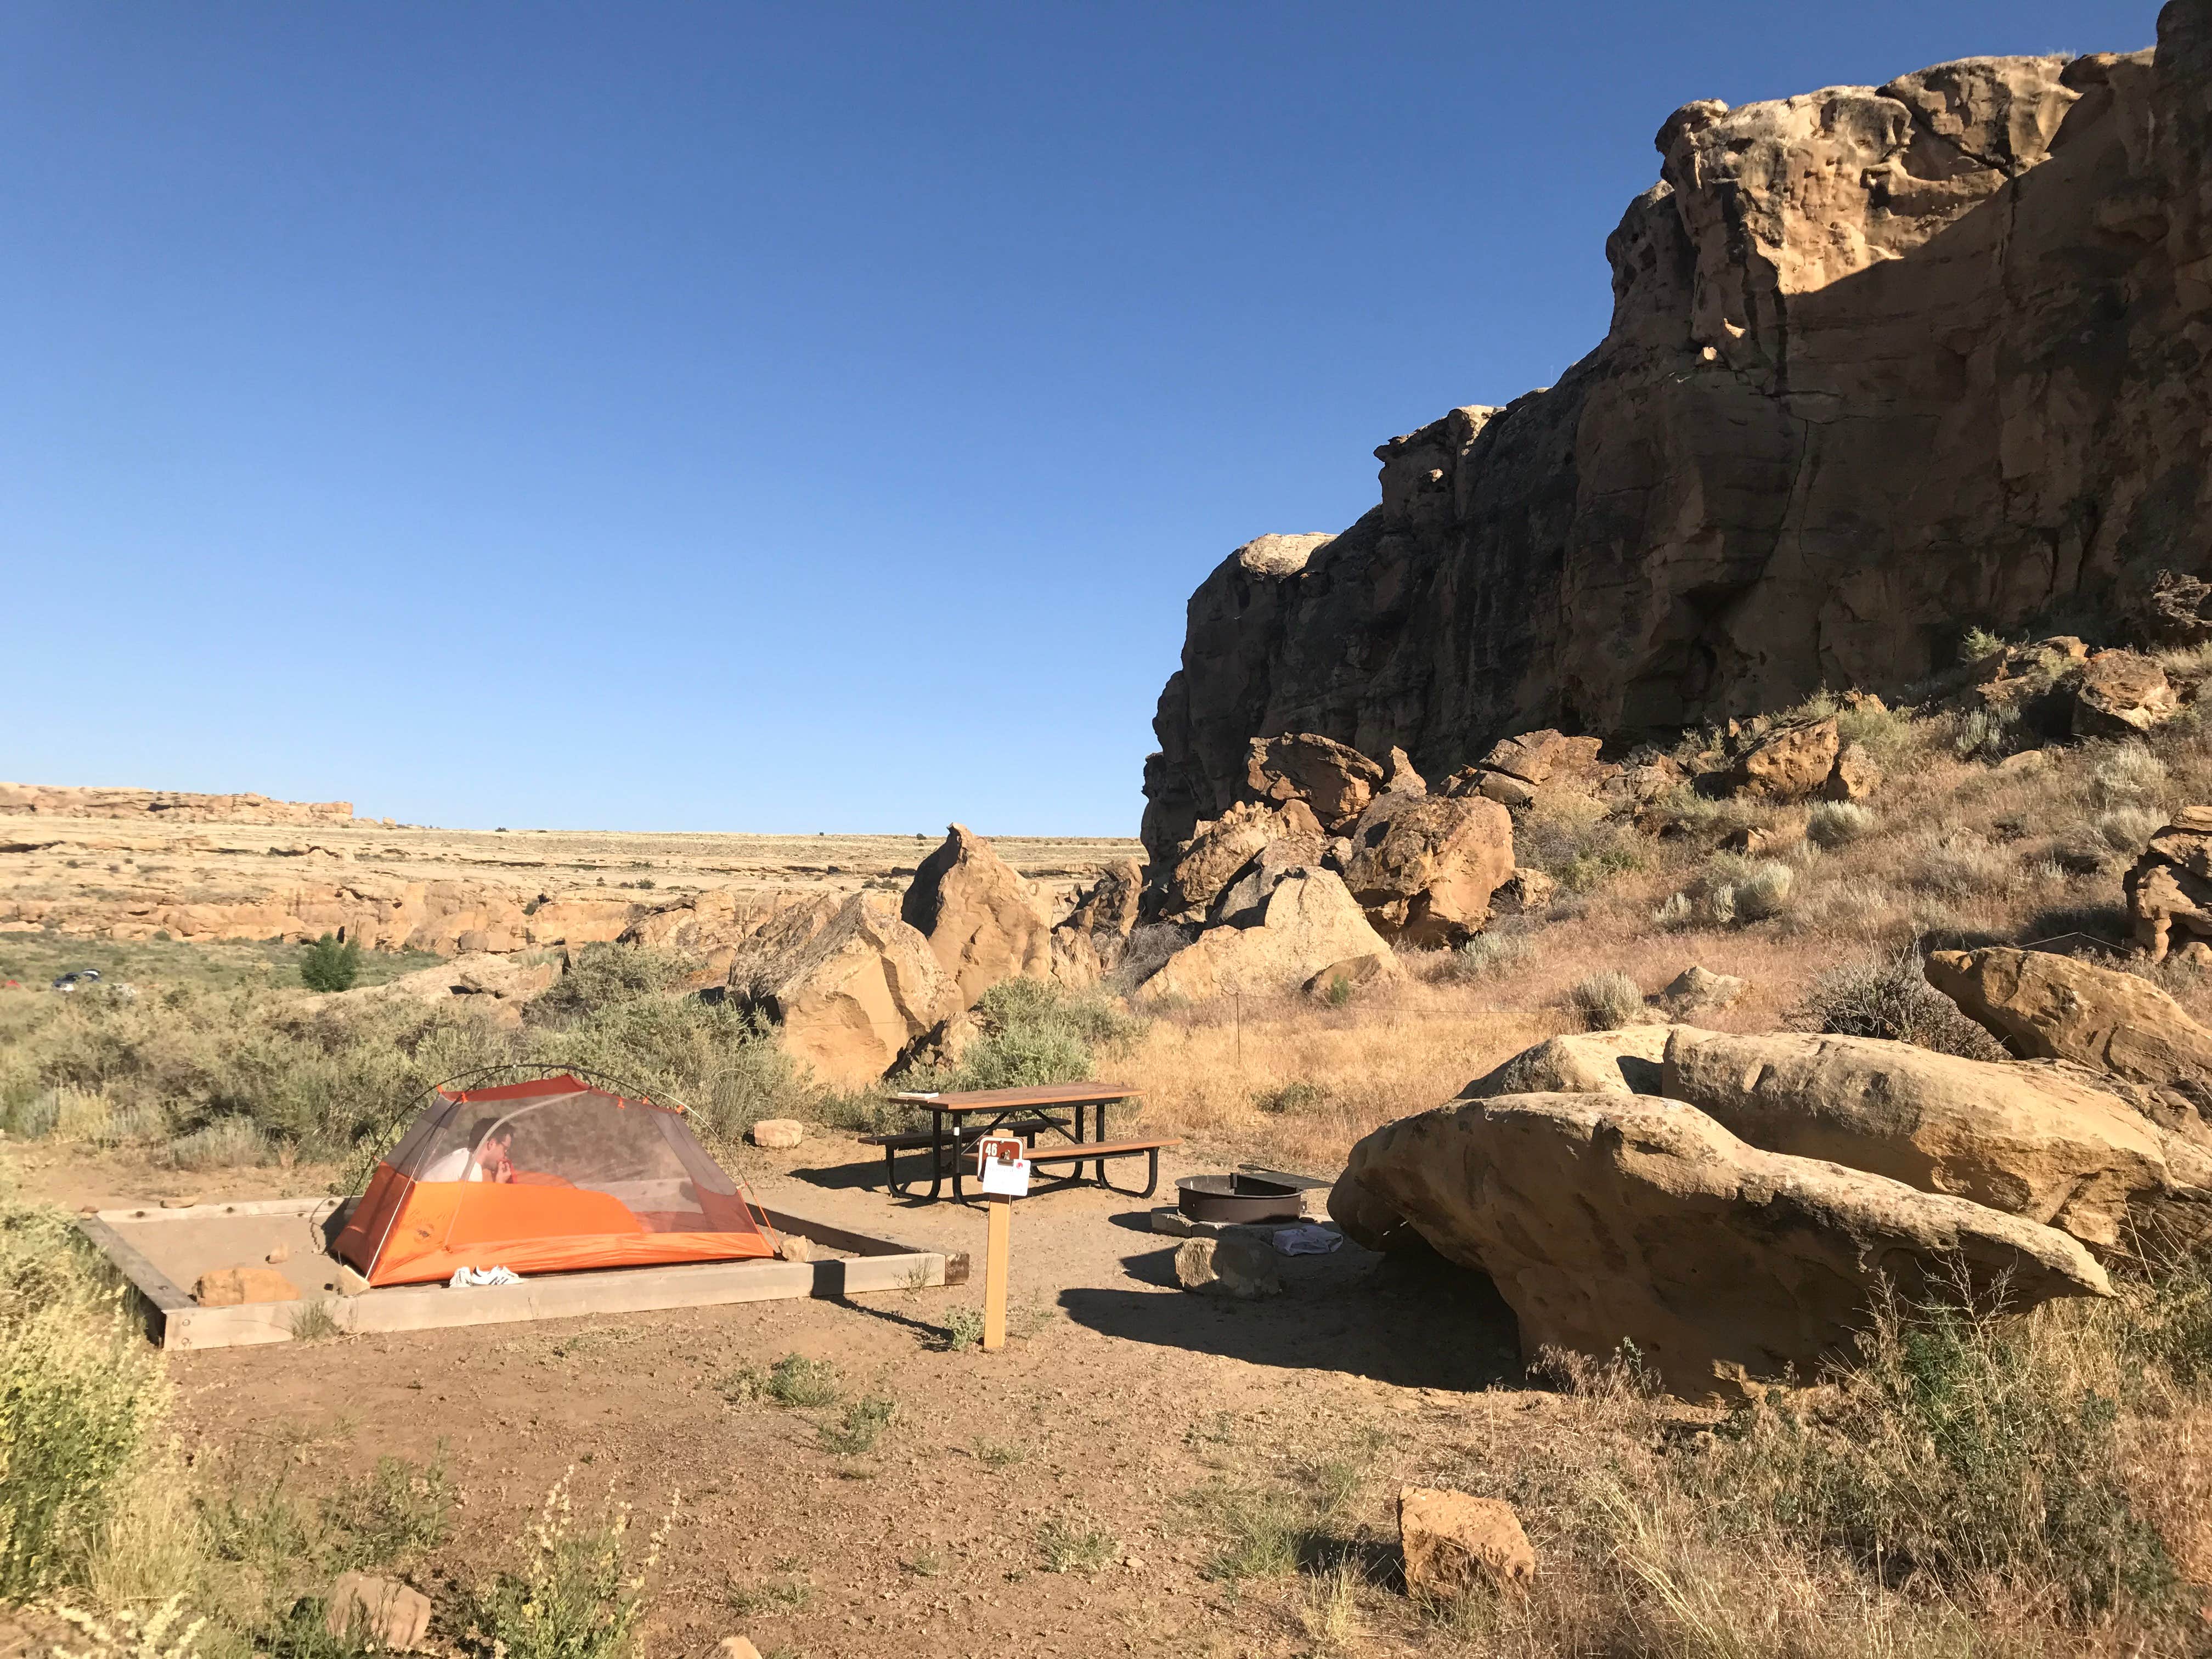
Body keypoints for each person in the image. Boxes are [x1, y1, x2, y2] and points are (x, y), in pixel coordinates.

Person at [419, 1117, 515, 1183]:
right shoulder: (471, 1172)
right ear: (492, 1144)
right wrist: (499, 1184)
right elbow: (474, 1208)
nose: (506, 1154)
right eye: (505, 1148)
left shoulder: (462, 1155)